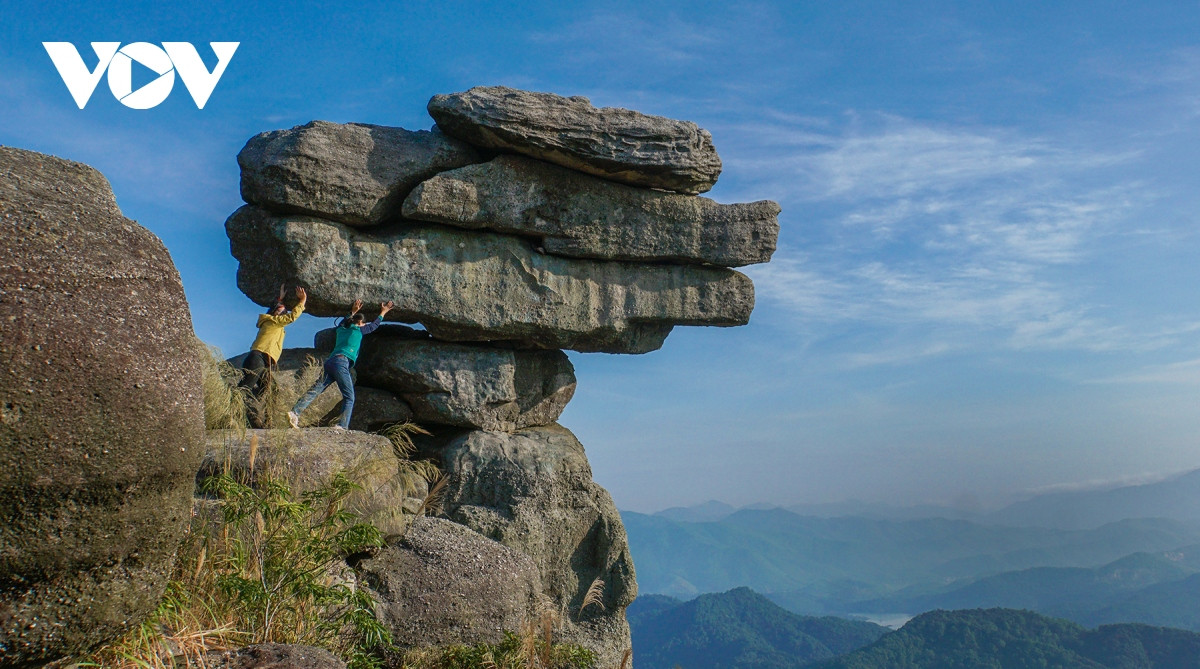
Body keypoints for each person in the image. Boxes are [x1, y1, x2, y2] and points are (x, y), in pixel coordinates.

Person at [288, 298, 393, 431]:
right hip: (341, 363)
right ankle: (341, 425)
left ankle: (295, 412)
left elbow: (344, 322)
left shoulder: (341, 329)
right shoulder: (358, 330)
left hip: (330, 362)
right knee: (349, 396)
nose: (365, 325)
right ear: (360, 323)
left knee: (316, 389)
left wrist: (353, 311)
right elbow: (374, 325)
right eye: (364, 323)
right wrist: (383, 312)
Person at [240, 284, 307, 428]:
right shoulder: (272, 321)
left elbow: (278, 308)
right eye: (280, 310)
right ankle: (234, 409)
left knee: (271, 389)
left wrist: (280, 298)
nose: (283, 313)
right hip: (257, 358)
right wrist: (302, 301)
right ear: (275, 313)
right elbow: (292, 317)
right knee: (244, 389)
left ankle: (259, 415)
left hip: (263, 362)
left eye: (284, 311)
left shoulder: (275, 323)